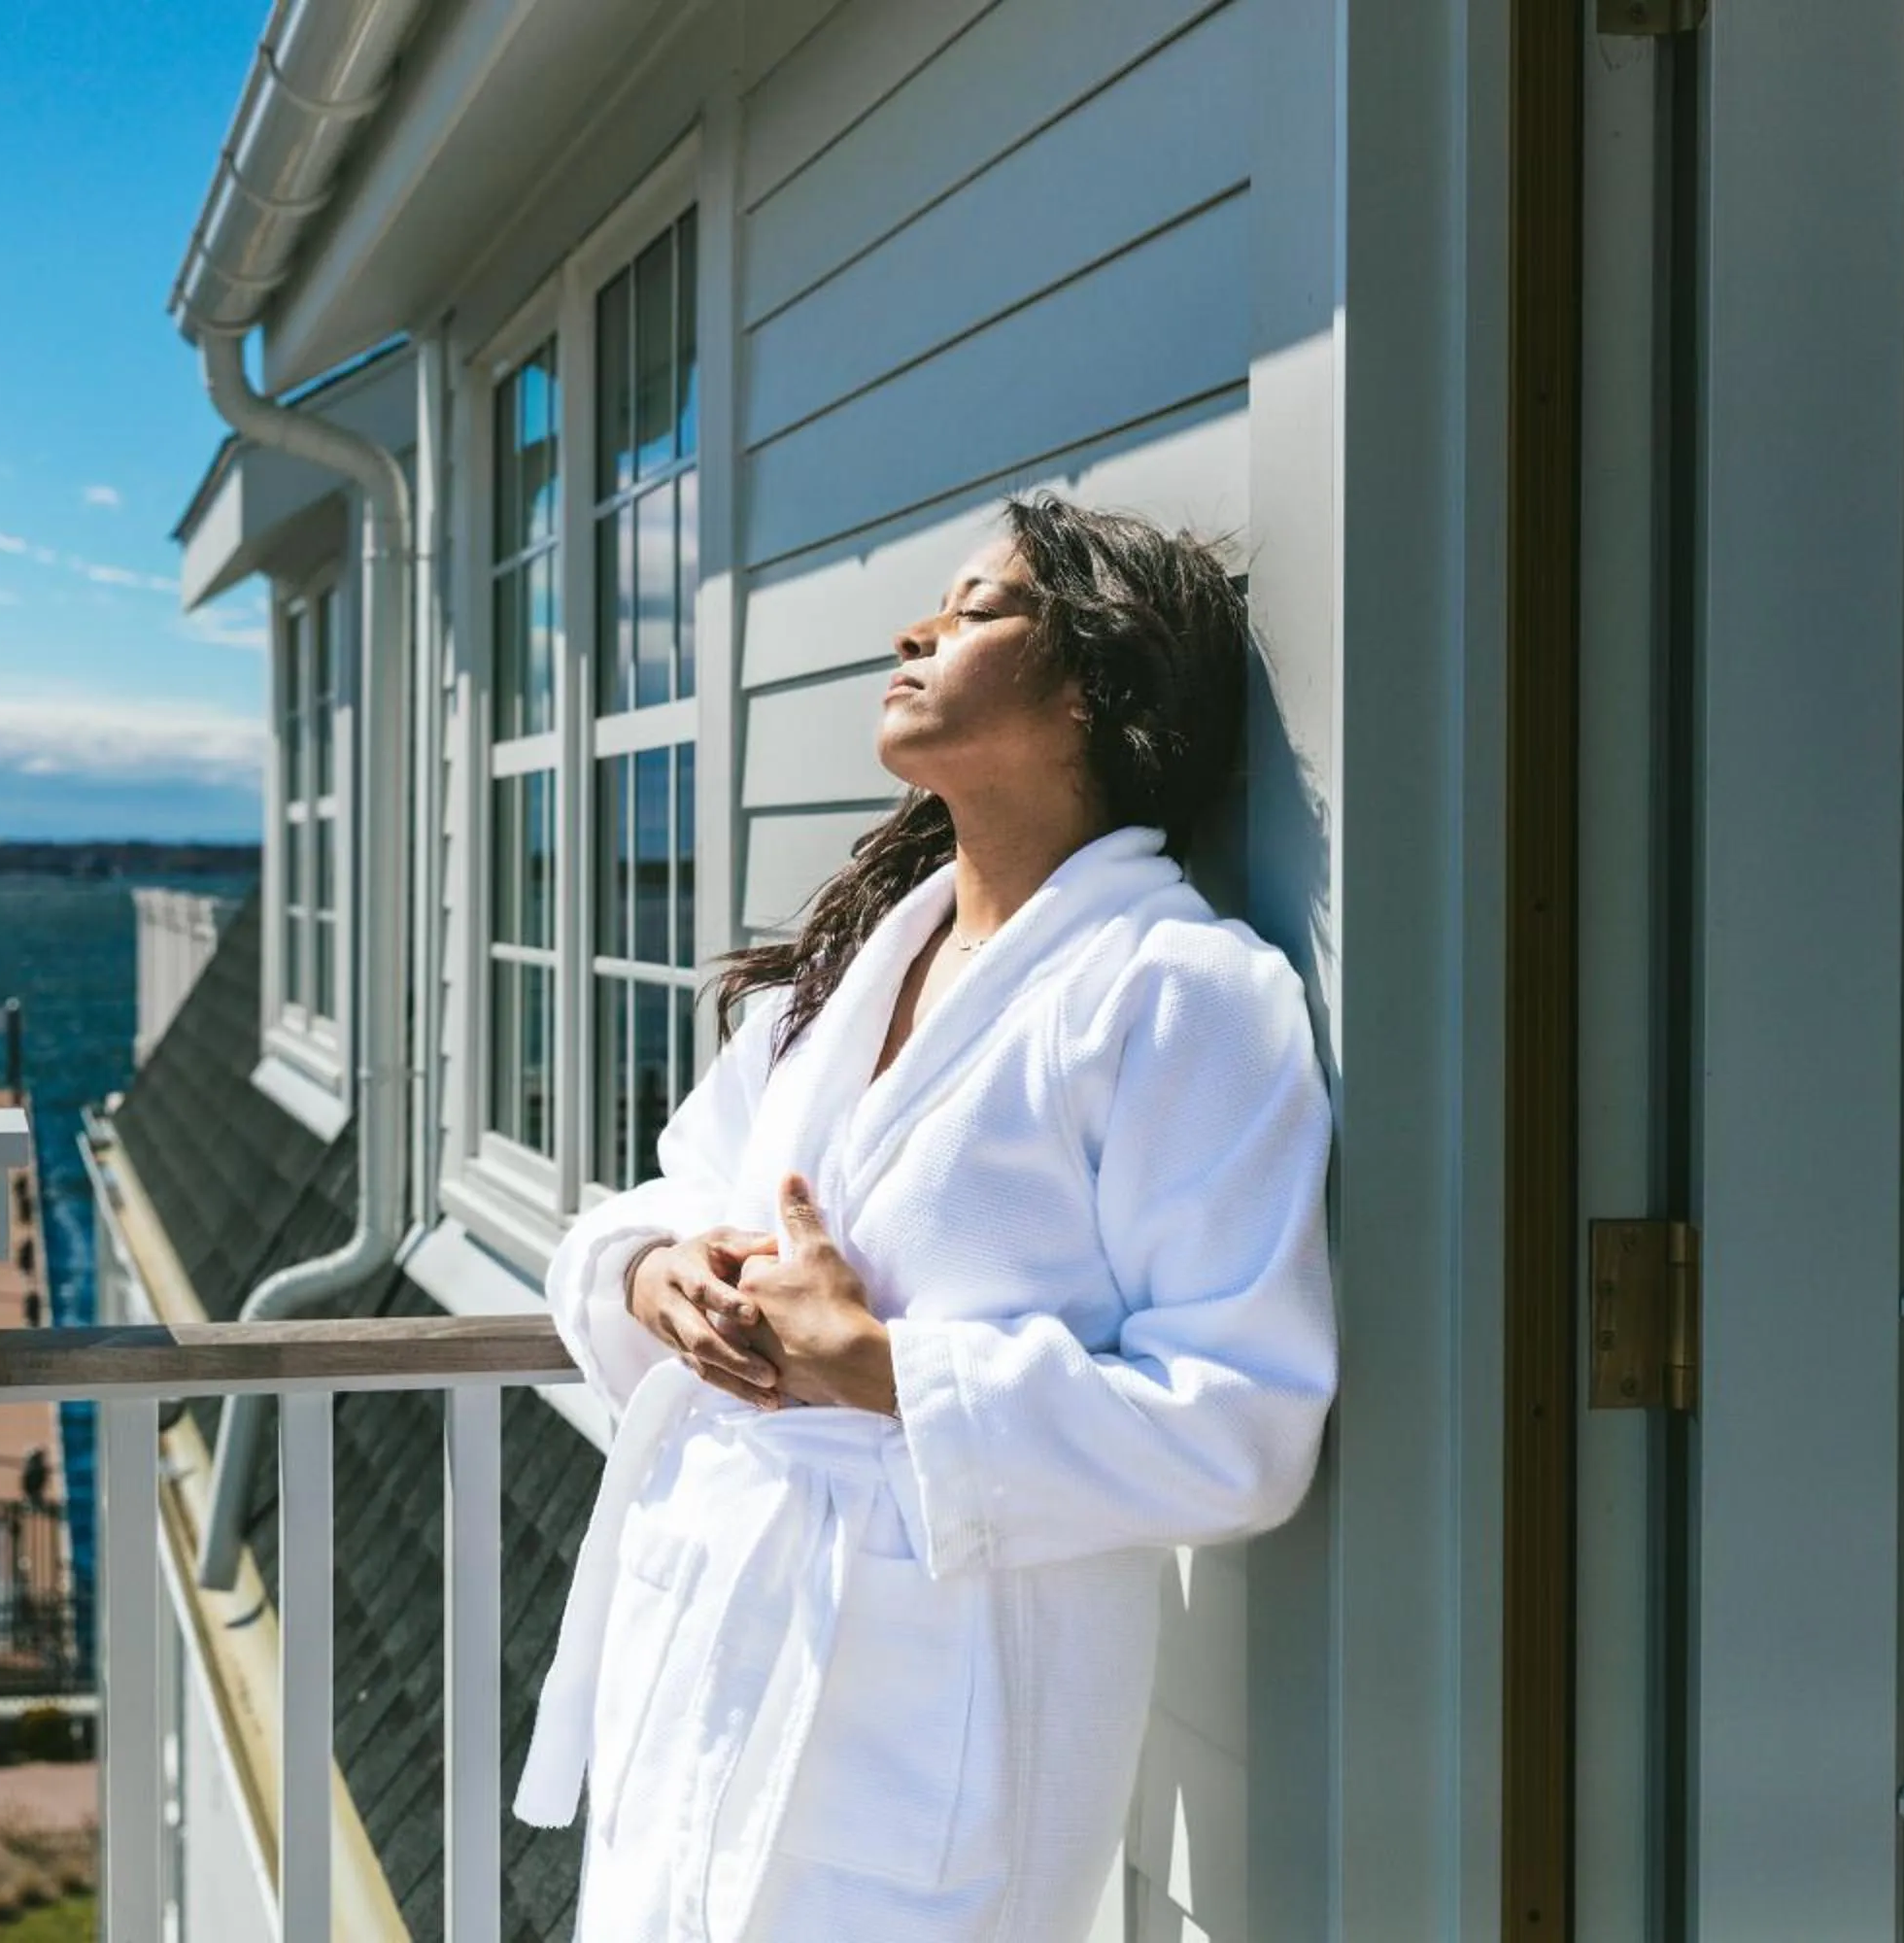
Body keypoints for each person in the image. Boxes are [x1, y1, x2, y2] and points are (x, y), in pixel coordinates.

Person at [512, 494, 1340, 1941]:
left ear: (1092, 680)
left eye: (975, 608)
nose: (915, 630)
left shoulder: (1176, 995)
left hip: (940, 1707)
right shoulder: (832, 981)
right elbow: (660, 1199)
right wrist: (654, 1279)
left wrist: (886, 1373)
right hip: (707, 1627)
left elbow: (1240, 1424)